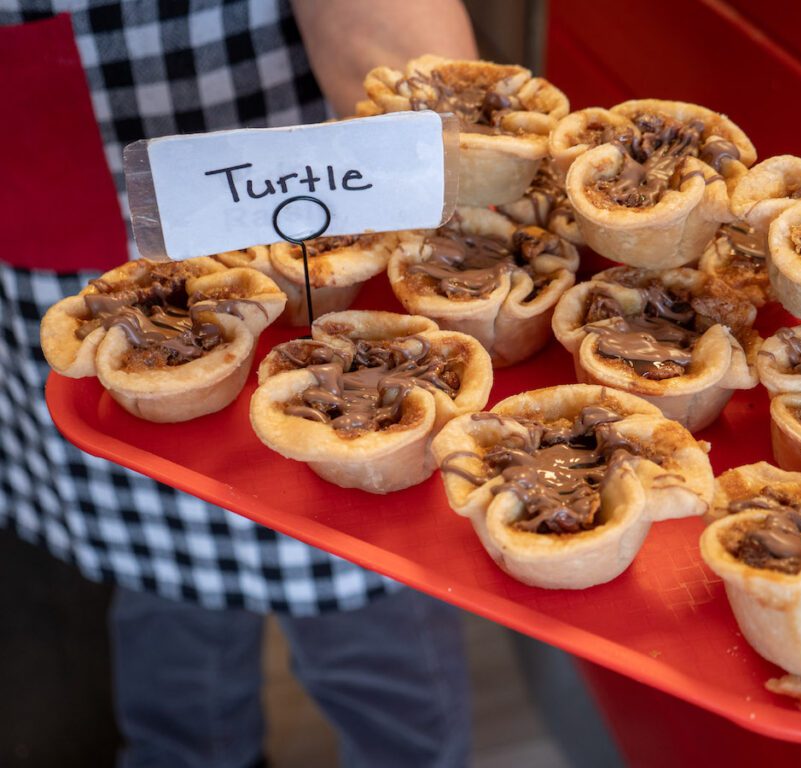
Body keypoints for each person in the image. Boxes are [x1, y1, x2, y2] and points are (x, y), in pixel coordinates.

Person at [0, 1, 477, 766]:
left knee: (371, 611)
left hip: (314, 196)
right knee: (167, 614)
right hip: (72, 237)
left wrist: (438, 161)